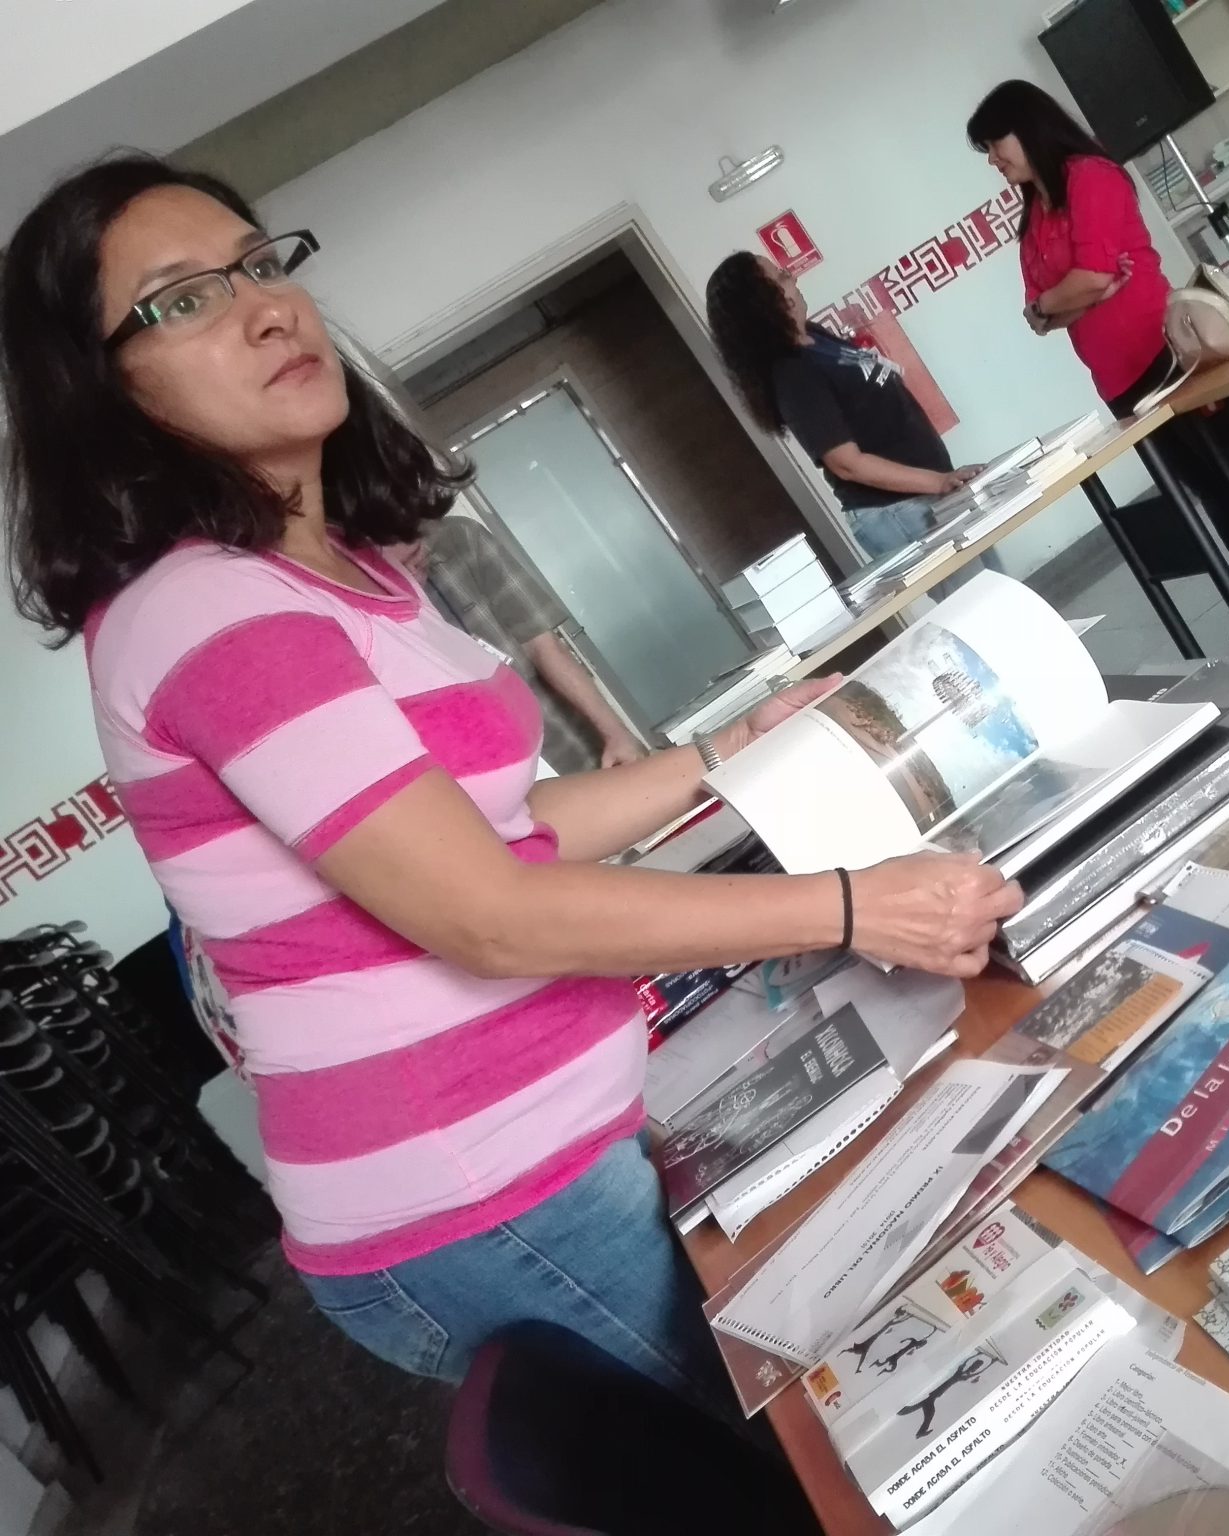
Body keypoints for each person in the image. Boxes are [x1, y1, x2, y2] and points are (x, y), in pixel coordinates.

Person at [0, 155, 1022, 1414]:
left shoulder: (348, 572)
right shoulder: (204, 608)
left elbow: (513, 822)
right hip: (477, 1194)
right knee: (815, 1441)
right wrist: (853, 907)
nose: (263, 307)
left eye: (259, 264)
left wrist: (726, 750)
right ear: (98, 390)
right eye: (183, 299)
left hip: (559, 1132)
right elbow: (486, 912)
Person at [966, 79, 1229, 660]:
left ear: (1027, 128)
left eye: (995, 144)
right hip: (1119, 383)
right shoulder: (1034, 217)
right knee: (1208, 492)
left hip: (1171, 354)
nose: (994, 161)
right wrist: (1065, 298)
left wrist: (1072, 294)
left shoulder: (1090, 177)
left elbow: (1089, 279)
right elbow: (1041, 314)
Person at [706, 252, 979, 567]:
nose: (793, 277)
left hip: (928, 493)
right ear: (768, 300)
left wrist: (941, 482)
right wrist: (938, 482)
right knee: (976, 592)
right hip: (898, 512)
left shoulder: (814, 336)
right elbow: (847, 464)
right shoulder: (793, 373)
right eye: (781, 277)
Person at [395, 516, 644, 772]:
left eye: (415, 553)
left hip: (575, 746)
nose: (413, 569)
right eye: (398, 566)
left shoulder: (461, 538)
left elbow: (543, 646)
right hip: (492, 772)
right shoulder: (377, 620)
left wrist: (615, 733)